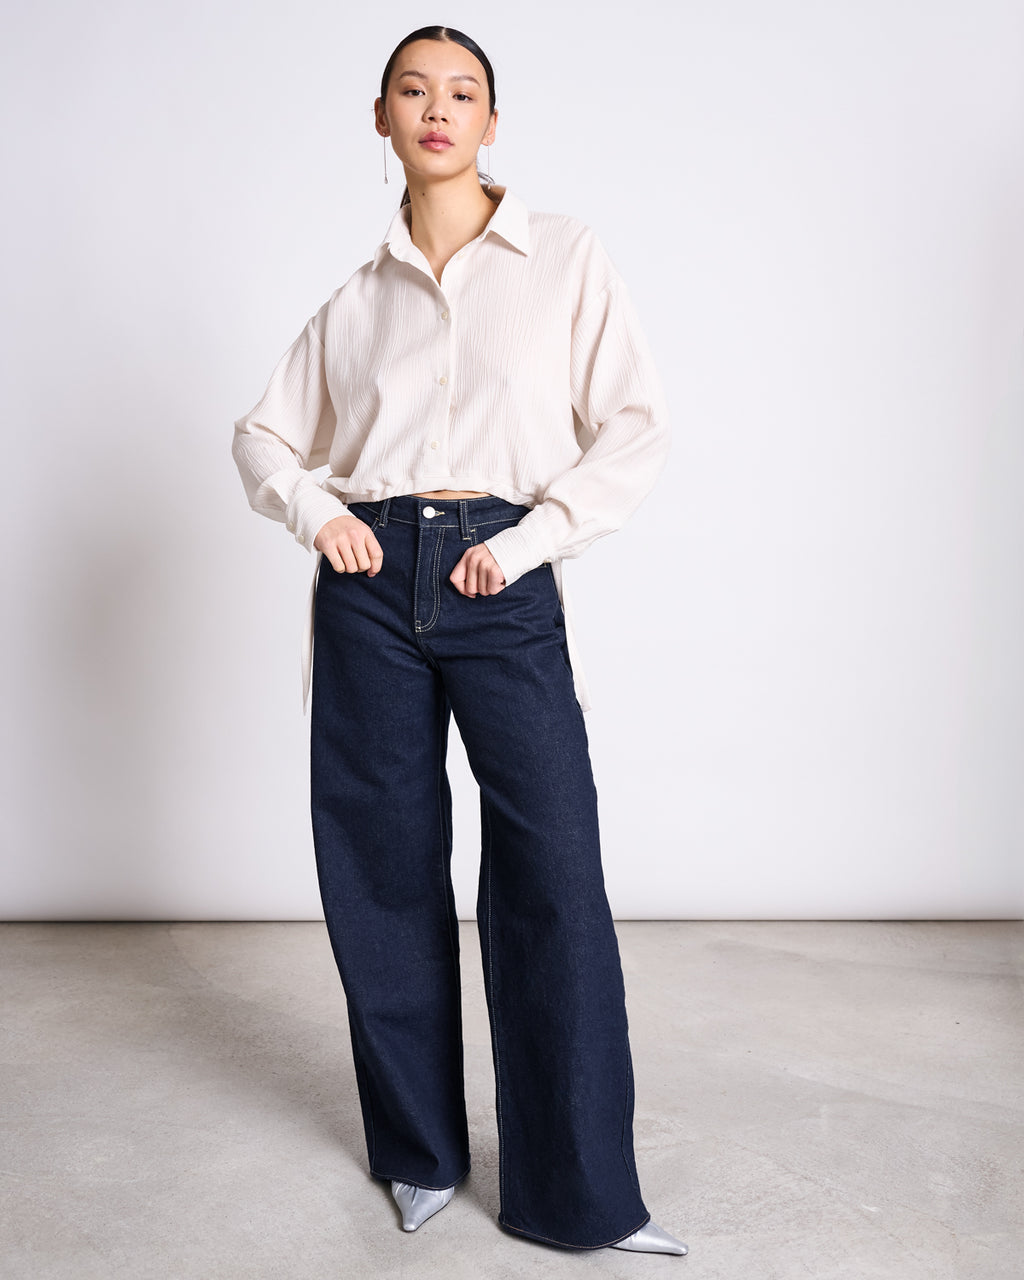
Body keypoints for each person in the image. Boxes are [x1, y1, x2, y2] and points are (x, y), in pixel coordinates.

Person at [232, 25, 685, 1256]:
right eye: (413, 91)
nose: (439, 109)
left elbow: (633, 426)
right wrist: (321, 514)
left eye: (463, 91)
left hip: (502, 575)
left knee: (551, 871)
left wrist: (532, 541)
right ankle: (419, 1155)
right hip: (372, 585)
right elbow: (263, 438)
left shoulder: (566, 259)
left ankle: (580, 1194)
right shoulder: (356, 296)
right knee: (381, 870)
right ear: (378, 118)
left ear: (493, 122)